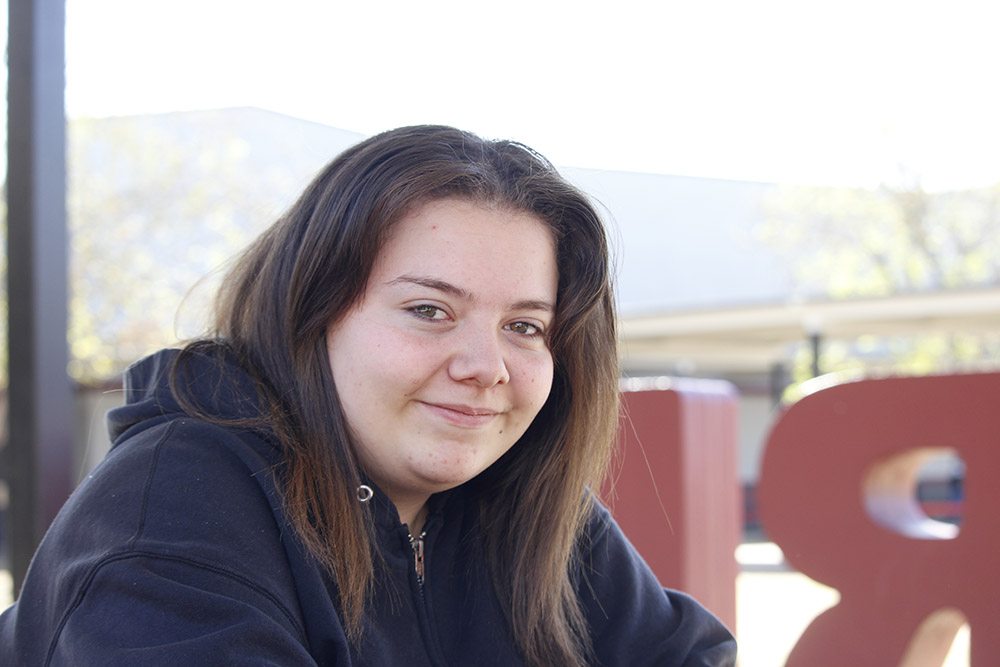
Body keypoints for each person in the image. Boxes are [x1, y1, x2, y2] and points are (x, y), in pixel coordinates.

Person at [0, 125, 736, 666]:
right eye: (429, 310)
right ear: (312, 314)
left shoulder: (522, 502)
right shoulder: (172, 501)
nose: (487, 365)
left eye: (524, 325)